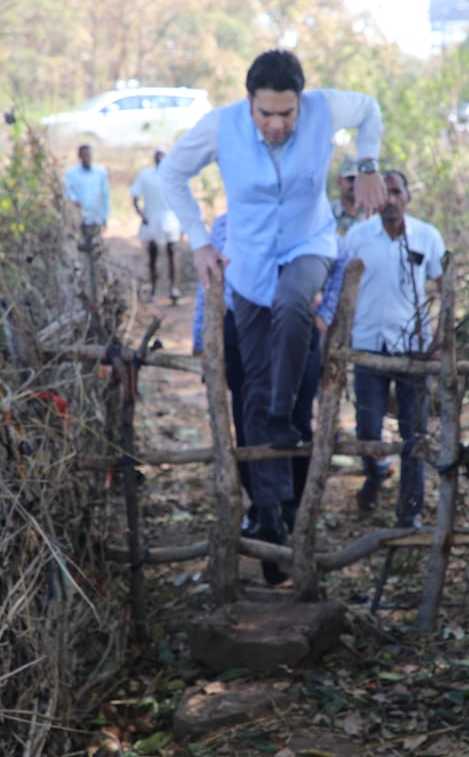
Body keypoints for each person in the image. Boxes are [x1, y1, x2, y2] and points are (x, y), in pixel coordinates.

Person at [163, 48, 386, 572]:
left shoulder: (326, 109)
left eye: (288, 113)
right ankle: (270, 519)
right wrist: (198, 241)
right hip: (248, 266)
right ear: (249, 103)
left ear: (301, 103)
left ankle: (285, 420)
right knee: (256, 394)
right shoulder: (221, 126)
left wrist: (368, 164)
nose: (278, 123)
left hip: (309, 246)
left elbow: (371, 109)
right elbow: (173, 174)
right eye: (267, 113)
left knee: (292, 305)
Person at [192, 214, 348, 551]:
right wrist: (201, 335)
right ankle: (265, 511)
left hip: (293, 328)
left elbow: (342, 256)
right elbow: (206, 282)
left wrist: (324, 315)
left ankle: (295, 505)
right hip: (237, 327)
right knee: (247, 420)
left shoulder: (304, 216)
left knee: (297, 418)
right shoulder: (223, 226)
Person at [344, 170, 446, 529]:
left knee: (414, 433)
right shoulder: (357, 238)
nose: (390, 198)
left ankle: (410, 512)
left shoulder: (428, 236)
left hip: (412, 349)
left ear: (407, 197)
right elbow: (341, 289)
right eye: (383, 192)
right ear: (374, 199)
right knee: (368, 430)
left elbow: (444, 285)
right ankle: (375, 476)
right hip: (368, 345)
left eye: (397, 191)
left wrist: (439, 340)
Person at [131, 148, 183, 304]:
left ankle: (174, 289)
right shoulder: (146, 175)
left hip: (171, 219)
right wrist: (141, 215)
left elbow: (182, 199)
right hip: (152, 220)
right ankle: (154, 290)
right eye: (158, 157)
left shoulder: (175, 176)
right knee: (153, 256)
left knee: (172, 253)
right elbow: (134, 196)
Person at [63, 143, 110, 229]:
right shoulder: (71, 173)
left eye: (88, 155)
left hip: (95, 217)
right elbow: (66, 190)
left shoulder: (100, 173)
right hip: (77, 217)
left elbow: (104, 195)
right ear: (79, 156)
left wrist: (104, 216)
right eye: (84, 155)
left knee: (94, 240)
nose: (86, 157)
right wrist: (74, 200)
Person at [330, 155, 361, 233]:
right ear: (339, 181)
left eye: (359, 179)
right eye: (351, 179)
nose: (355, 184)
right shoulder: (328, 214)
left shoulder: (372, 214)